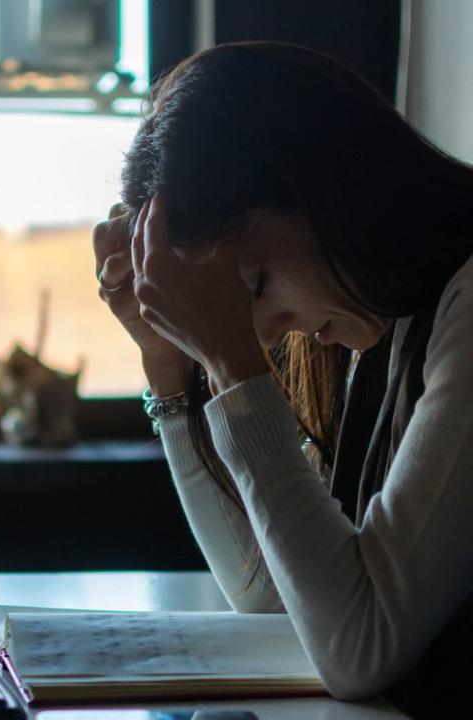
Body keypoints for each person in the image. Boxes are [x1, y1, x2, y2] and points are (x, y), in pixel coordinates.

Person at [93, 41, 473, 718]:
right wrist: (171, 371)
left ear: (325, 191)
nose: (267, 334)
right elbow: (276, 596)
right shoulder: (394, 328)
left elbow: (359, 647)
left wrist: (234, 367)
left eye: (259, 284)